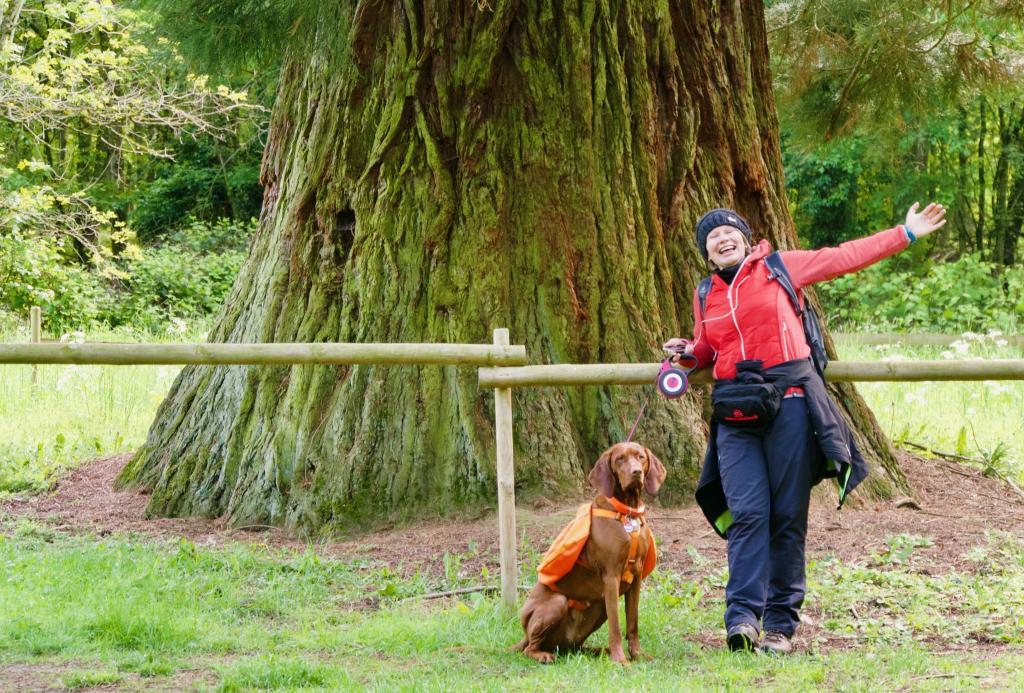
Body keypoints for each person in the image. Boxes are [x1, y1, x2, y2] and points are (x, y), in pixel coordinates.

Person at [663, 202, 946, 655]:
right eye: (712, 237)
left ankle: (779, 625)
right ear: (707, 254)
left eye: (729, 230)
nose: (721, 237)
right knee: (748, 513)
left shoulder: (778, 267)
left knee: (788, 516)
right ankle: (741, 620)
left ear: (745, 236)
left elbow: (844, 257)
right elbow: (707, 349)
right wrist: (687, 354)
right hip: (736, 414)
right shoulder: (706, 295)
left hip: (790, 403)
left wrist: (905, 233)